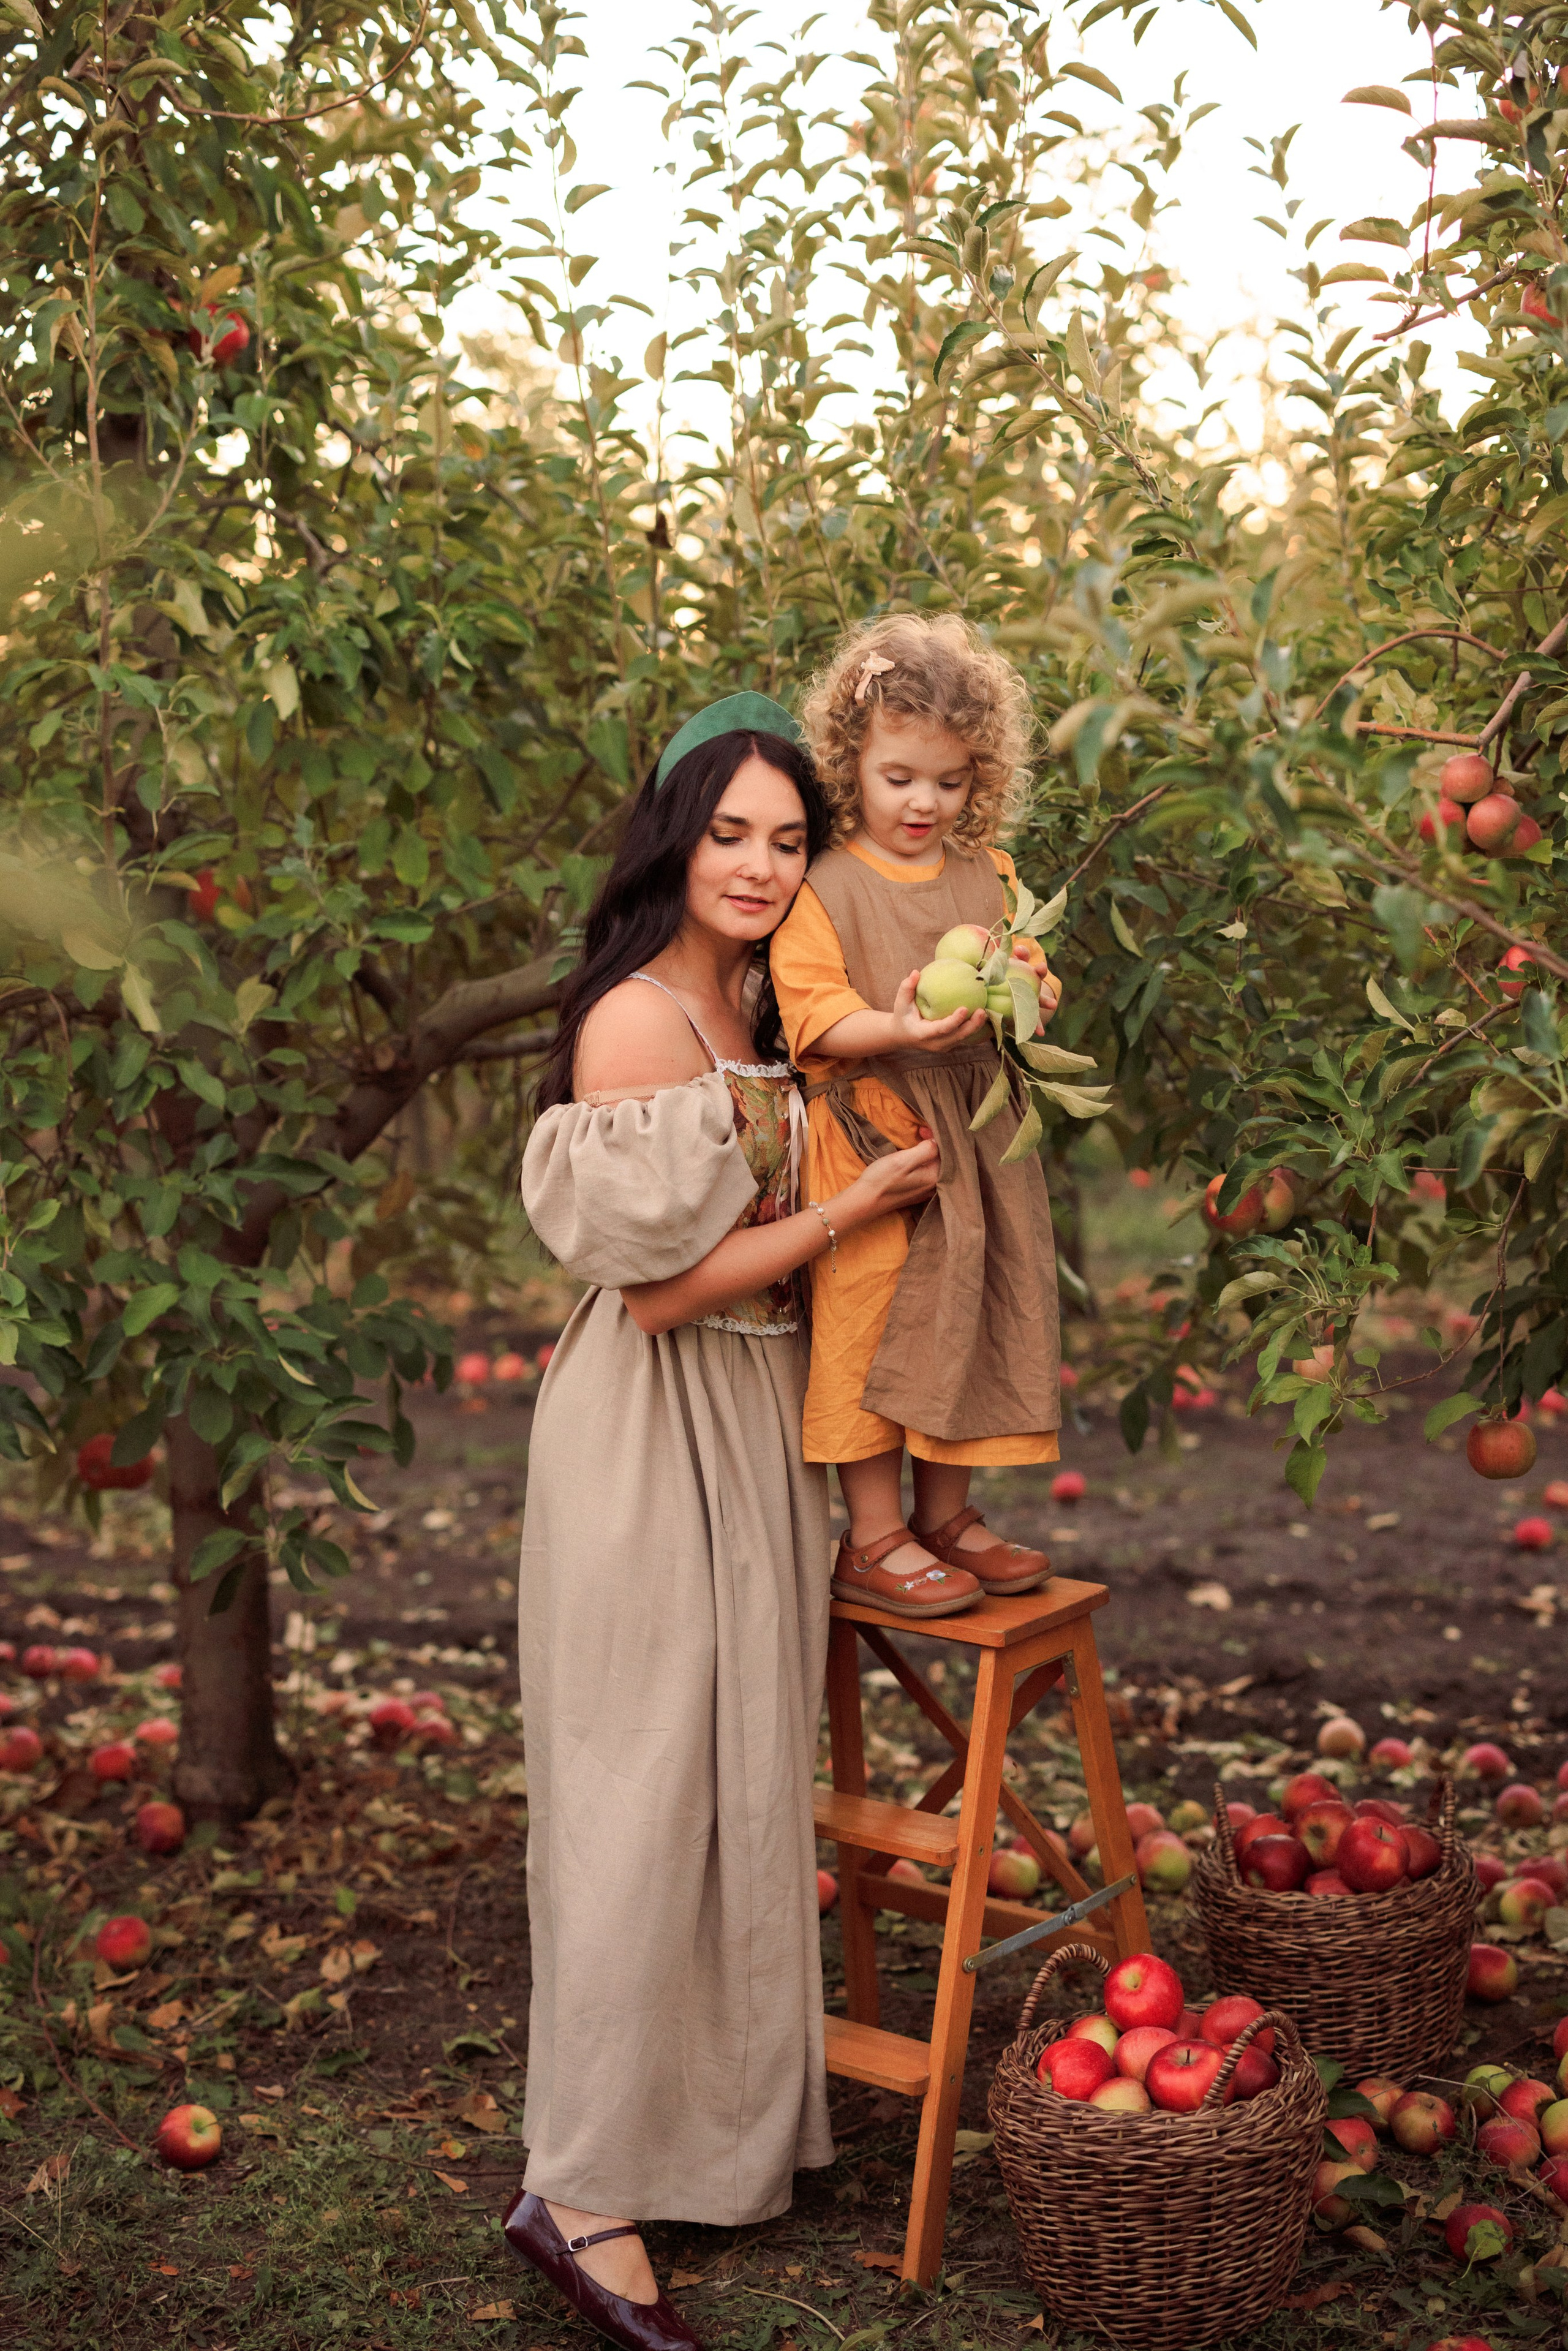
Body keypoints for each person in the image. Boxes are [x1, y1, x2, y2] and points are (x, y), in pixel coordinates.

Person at [503, 695, 945, 2351]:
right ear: (675, 838)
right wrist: (845, 1209)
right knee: (637, 1791)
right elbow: (669, 1287)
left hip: (761, 1427)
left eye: (785, 836)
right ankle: (581, 2187)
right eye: (730, 832)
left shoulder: (758, 995)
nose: (758, 864)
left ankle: (708, 2134)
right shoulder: (636, 1024)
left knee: (729, 1777)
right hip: (650, 1428)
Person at [769, 614, 1066, 1620]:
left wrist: (1030, 982)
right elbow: (809, 1006)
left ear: (979, 777)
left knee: (974, 1309)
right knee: (874, 1314)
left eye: (949, 782)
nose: (923, 803)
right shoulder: (825, 885)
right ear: (852, 762)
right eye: (900, 777)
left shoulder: (992, 875)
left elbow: (1024, 961)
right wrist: (888, 1021)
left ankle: (945, 1517)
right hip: (877, 1136)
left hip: (978, 1129)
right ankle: (875, 1534)